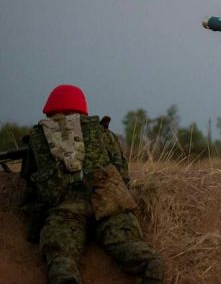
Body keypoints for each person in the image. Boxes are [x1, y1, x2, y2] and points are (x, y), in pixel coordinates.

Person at [20, 84, 163, 284]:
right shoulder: (101, 132)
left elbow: (31, 182)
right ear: (82, 108)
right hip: (108, 203)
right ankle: (152, 269)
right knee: (133, 249)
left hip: (65, 209)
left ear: (50, 109)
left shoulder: (38, 137)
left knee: (62, 260)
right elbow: (121, 173)